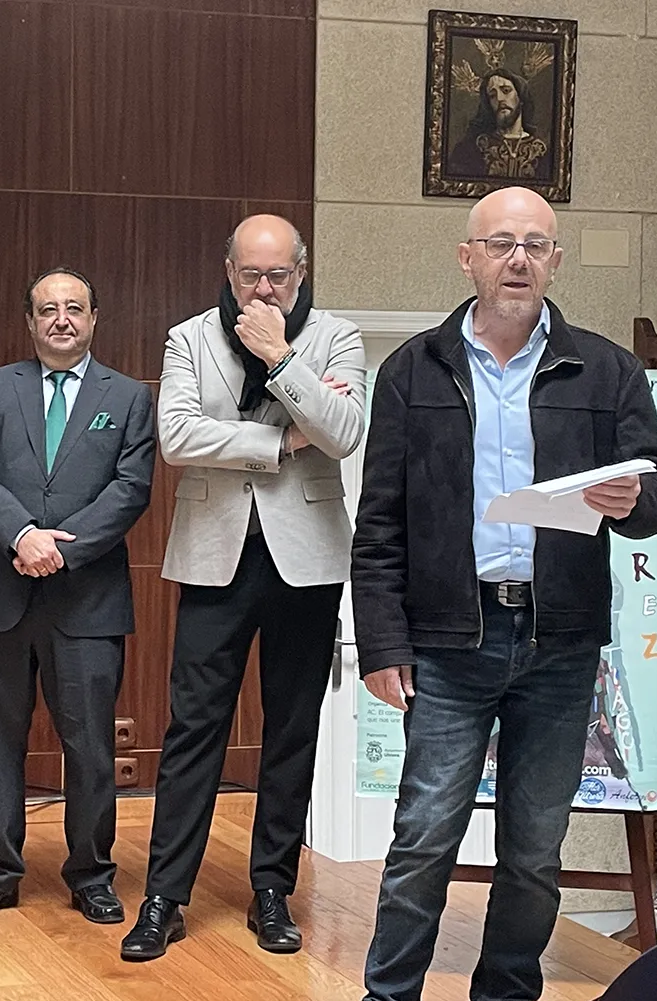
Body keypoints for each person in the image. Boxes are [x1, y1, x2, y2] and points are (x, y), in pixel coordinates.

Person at [348, 186, 657, 1001]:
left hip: (560, 644)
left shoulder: (604, 370)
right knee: (422, 841)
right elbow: (379, 521)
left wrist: (636, 496)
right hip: (449, 643)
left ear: (557, 260)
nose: (519, 259)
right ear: (468, 258)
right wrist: (381, 641)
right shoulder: (413, 371)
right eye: (501, 244)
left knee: (534, 853)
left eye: (536, 244)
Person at [121, 215, 366, 962]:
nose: (264, 289)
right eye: (250, 276)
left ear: (301, 271)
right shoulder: (188, 337)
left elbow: (345, 430)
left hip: (309, 560)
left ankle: (272, 889)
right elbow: (179, 437)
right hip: (215, 556)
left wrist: (282, 359)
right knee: (195, 727)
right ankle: (165, 894)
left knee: (292, 729)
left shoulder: (335, 337)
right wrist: (281, 439)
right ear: (227, 271)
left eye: (279, 277)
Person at [0, 268, 155, 923]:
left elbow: (131, 487)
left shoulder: (126, 397)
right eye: (47, 309)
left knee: (91, 746)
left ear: (95, 318)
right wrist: (21, 535)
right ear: (30, 321)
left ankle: (91, 873)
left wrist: (61, 546)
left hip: (87, 597)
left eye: (74, 308)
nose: (61, 319)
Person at [448, 69, 552, 182]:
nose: (499, 99)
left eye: (506, 91)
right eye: (492, 95)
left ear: (520, 97)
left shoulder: (541, 150)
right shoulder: (473, 148)